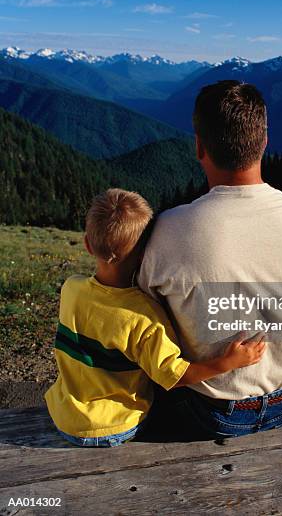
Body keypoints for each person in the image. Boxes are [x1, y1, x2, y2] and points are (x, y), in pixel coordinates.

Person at [138, 80, 282, 439]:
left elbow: (141, 310)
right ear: (263, 142)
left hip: (212, 410)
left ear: (200, 147)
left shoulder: (168, 230)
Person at [45, 188, 265, 447]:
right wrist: (228, 362)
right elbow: (175, 377)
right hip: (114, 425)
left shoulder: (72, 288)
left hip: (64, 416)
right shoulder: (143, 315)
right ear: (145, 254)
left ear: (87, 244)